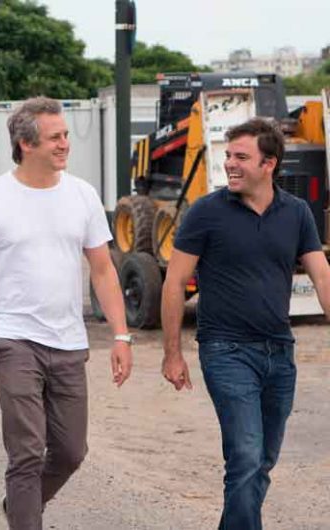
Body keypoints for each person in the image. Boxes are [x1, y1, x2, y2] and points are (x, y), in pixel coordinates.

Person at [0, 97, 133, 530]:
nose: (65, 144)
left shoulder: (82, 195)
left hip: (68, 340)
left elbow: (103, 271)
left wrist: (121, 336)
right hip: (11, 338)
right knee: (27, 451)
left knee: (70, 452)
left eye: (65, 135)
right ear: (25, 144)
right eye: (56, 137)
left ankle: (20, 506)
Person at [161, 118, 330, 530]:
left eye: (241, 157)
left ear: (269, 163)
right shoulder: (206, 212)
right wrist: (172, 354)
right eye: (228, 156)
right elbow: (174, 282)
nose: (229, 165)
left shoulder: (297, 213)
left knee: (262, 461)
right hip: (225, 350)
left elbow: (321, 274)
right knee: (247, 455)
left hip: (279, 351)